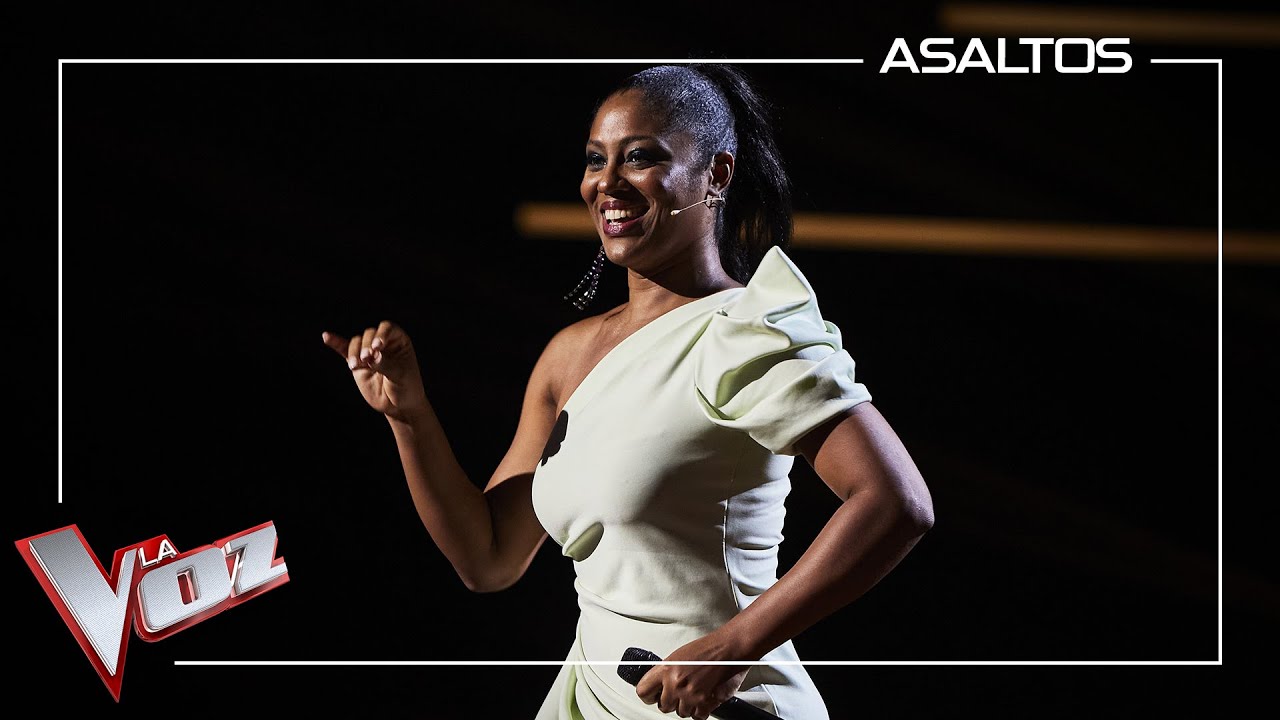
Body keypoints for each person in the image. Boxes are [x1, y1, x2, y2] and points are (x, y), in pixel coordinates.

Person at [323, 64, 933, 720]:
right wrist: (410, 417)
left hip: (722, 707)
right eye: (595, 159)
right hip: (596, 695)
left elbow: (896, 501)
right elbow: (489, 557)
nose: (606, 183)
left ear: (717, 175)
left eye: (640, 157)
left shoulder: (746, 331)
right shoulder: (568, 355)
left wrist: (735, 645)